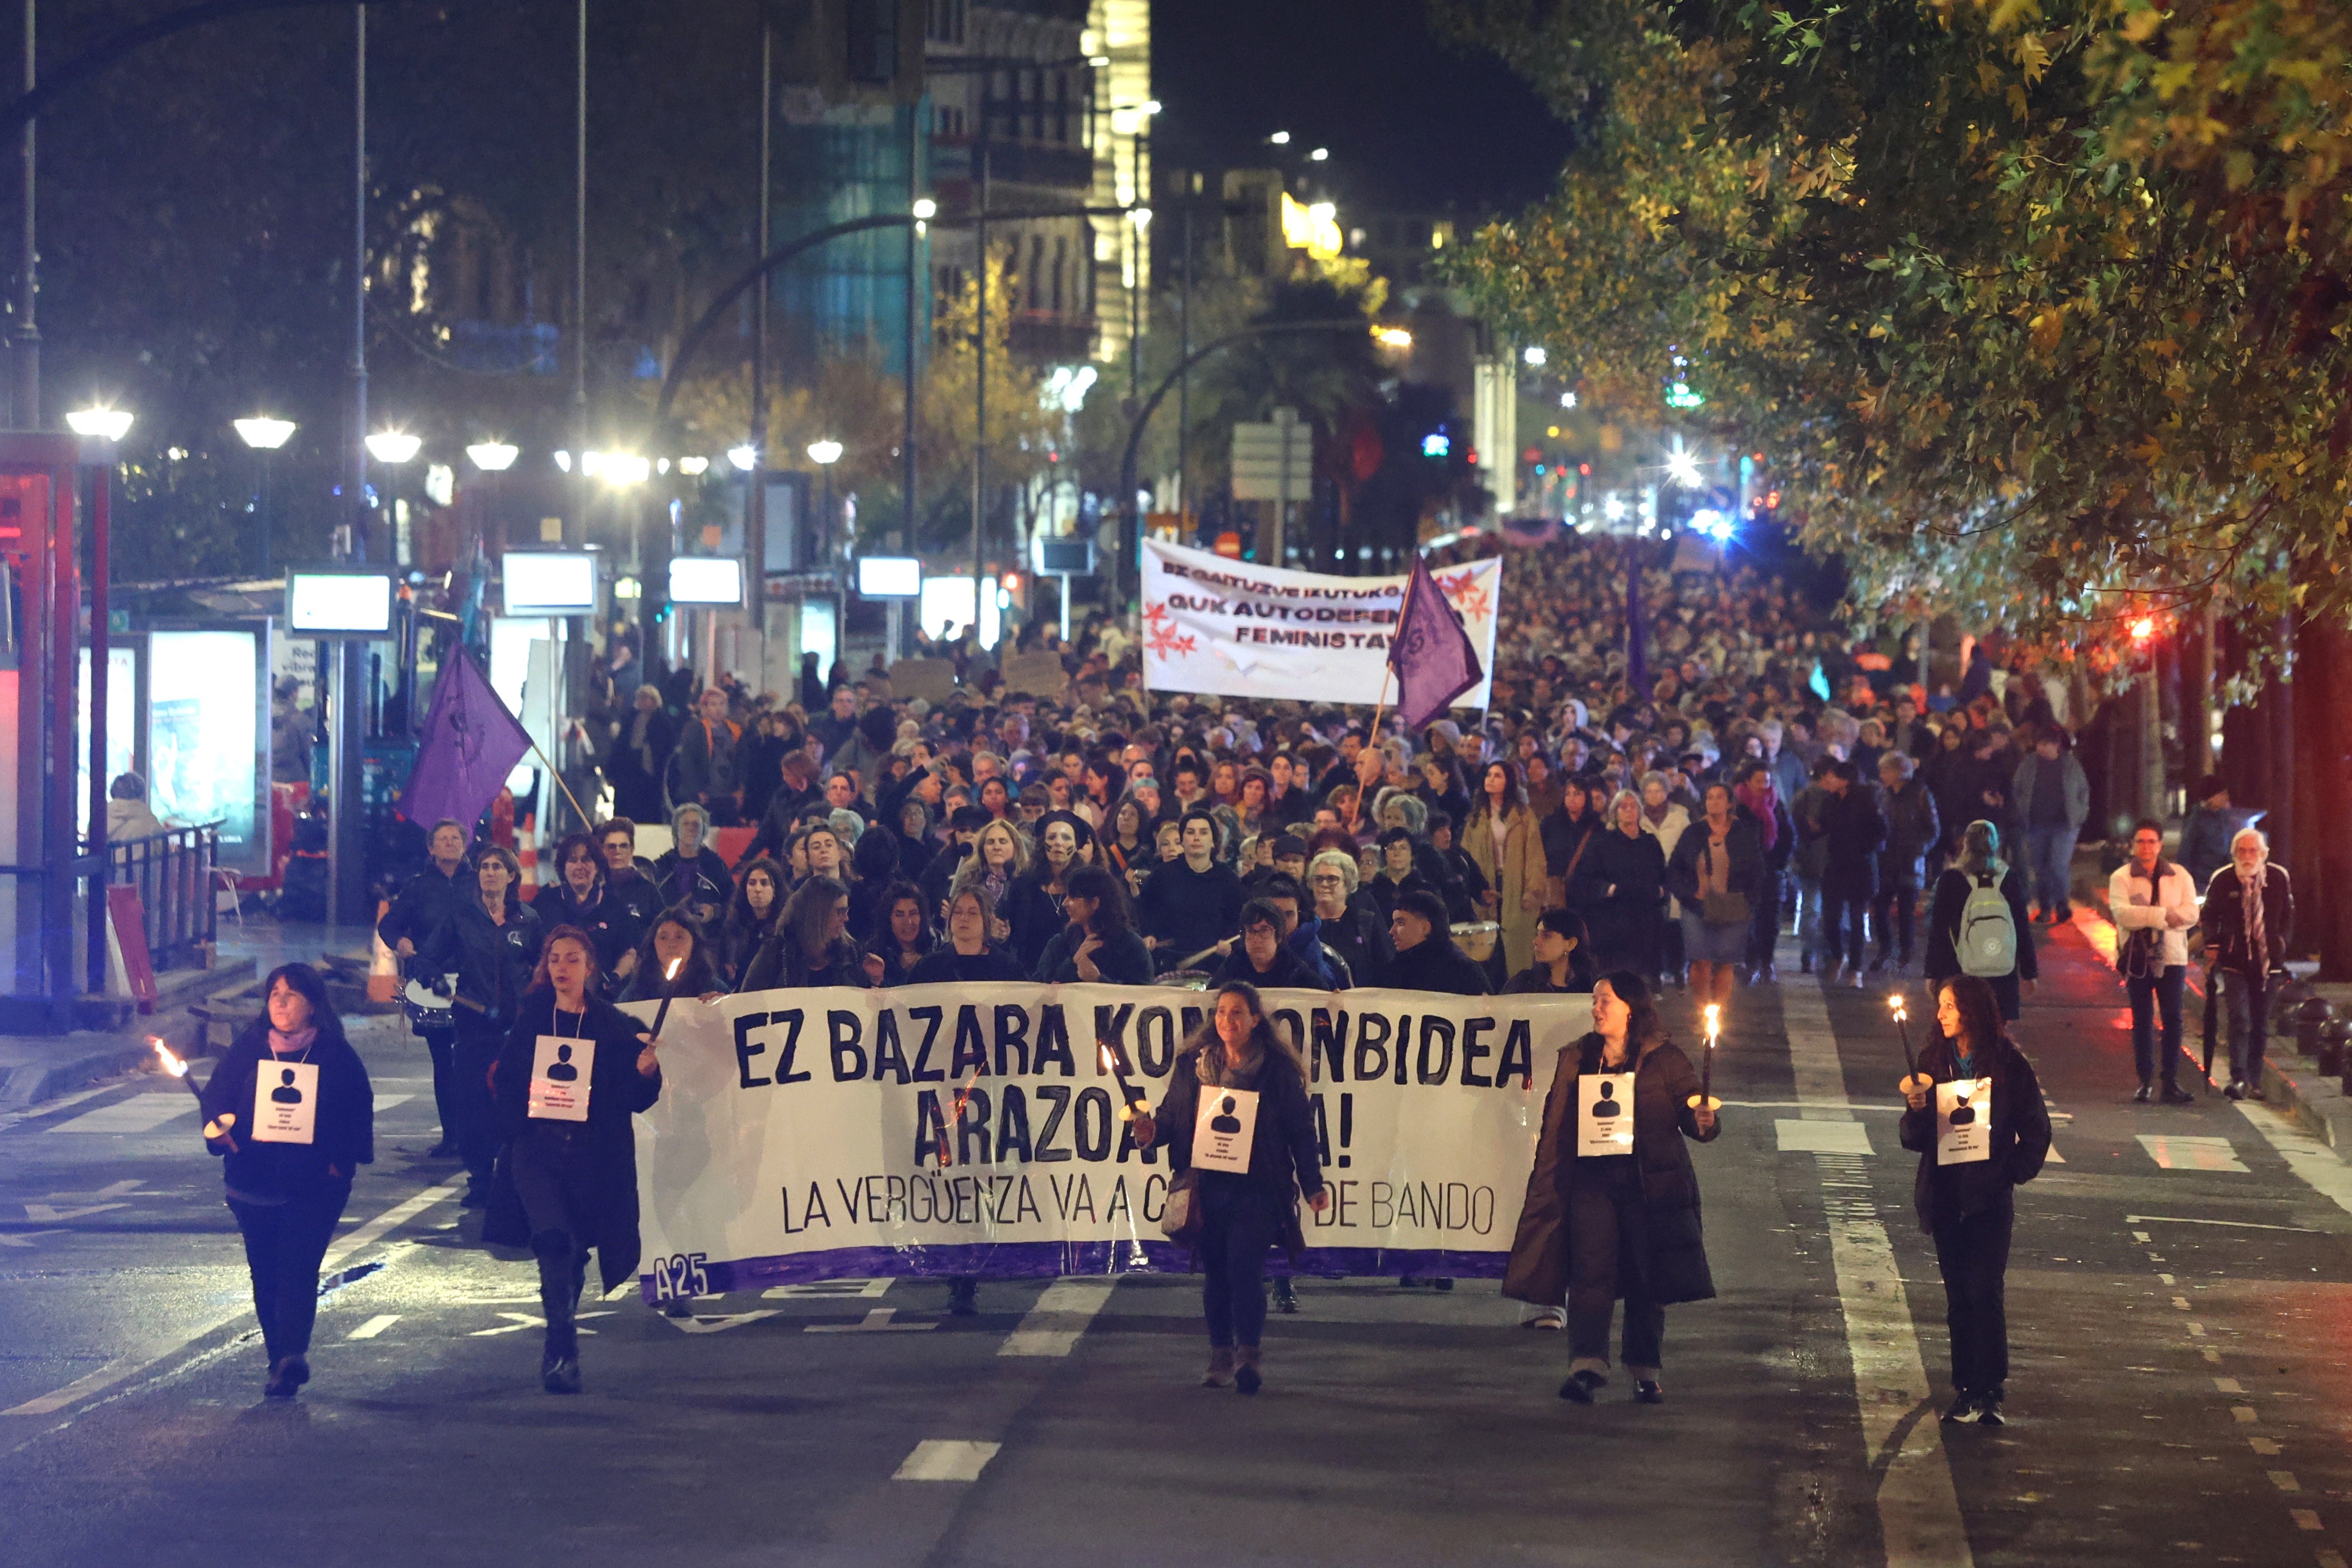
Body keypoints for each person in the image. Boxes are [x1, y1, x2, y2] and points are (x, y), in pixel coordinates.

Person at [1502, 972, 1717, 1403]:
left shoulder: (1665, 1059)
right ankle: (1586, 1367)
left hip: (1648, 1188)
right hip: (1593, 1184)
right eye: (1595, 1001)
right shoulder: (1579, 1056)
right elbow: (1559, 1122)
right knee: (1589, 1276)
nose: (1596, 1009)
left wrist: (1704, 1120)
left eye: (1606, 1001)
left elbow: (1693, 1112)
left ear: (1630, 1009)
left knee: (1646, 1280)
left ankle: (1644, 1368)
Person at [485, 926, 665, 1393]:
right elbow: (506, 1079)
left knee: (571, 1247)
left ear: (590, 967)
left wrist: (645, 1072)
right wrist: (515, 1129)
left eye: (572, 959)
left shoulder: (610, 1023)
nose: (562, 968)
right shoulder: (532, 1018)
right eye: (554, 959)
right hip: (537, 1150)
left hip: (591, 1156)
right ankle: (560, 1346)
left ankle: (564, 1306)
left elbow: (632, 1097)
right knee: (550, 1239)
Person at [1130, 982, 1329, 1394]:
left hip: (1259, 1188)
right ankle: (1220, 1354)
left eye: (1237, 1013)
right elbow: (1170, 1116)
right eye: (1221, 1012)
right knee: (1216, 1273)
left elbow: (1300, 1130)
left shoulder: (1276, 1071)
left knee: (1244, 1269)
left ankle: (1248, 1355)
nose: (1227, 1020)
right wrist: (1151, 1132)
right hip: (1207, 1187)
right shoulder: (1192, 1066)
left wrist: (1313, 1184)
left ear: (1255, 1020)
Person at [199, 963, 373, 1398]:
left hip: (313, 1186)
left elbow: (356, 1114)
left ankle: (293, 1352)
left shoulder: (334, 1054)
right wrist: (220, 1133)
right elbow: (217, 1100)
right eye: (274, 992)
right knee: (266, 1272)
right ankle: (279, 1359)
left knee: (297, 1268)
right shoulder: (249, 1049)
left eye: (291, 994)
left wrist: (339, 1165)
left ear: (312, 1005)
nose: (279, 1001)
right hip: (253, 1181)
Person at [1898, 974, 2051, 1427]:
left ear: (1972, 1010)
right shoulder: (1932, 1062)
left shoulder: (2008, 1063)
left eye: (1949, 1006)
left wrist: (2010, 1171)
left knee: (1986, 1291)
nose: (1941, 1014)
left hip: (1988, 1199)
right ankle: (1965, 1388)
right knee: (1959, 1298)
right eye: (1940, 1007)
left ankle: (1991, 1391)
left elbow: (2037, 1127)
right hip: (1946, 1195)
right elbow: (1913, 1138)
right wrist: (1917, 1110)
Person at [419, 846, 543, 1206]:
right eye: (485, 867)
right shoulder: (461, 917)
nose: (490, 873)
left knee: (514, 1105)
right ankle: (480, 1180)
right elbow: (427, 958)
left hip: (517, 1030)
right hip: (474, 1027)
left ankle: (513, 1177)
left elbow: (542, 968)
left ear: (512, 876)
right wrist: (435, 980)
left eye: (498, 867)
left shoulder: (529, 920)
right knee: (472, 1106)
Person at [378, 817, 471, 1157]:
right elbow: (390, 923)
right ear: (431, 848)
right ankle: (451, 1135)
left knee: (472, 1059)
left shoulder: (478, 882)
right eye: (443, 838)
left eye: (456, 837)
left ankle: (476, 1133)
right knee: (443, 1061)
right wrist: (401, 942)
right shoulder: (418, 887)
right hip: (432, 982)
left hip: (474, 982)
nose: (450, 843)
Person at [2108, 819, 2199, 1104]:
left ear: (2161, 845)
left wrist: (2147, 914)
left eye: (2151, 842)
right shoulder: (2122, 878)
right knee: (2143, 1019)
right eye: (2140, 842)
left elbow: (2191, 915)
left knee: (2173, 1018)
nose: (2146, 847)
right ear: (2133, 845)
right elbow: (2124, 915)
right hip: (2137, 958)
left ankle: (2170, 1080)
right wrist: (2163, 916)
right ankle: (2145, 1080)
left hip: (2171, 958)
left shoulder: (2179, 875)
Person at [2202, 826, 2292, 1101]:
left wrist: (2282, 943)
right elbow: (2209, 915)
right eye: (2241, 850)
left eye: (2253, 850)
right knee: (2240, 1018)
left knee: (2261, 1023)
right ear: (2234, 854)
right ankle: (2238, 1077)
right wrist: (2213, 944)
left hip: (2269, 965)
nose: (2247, 855)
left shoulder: (2278, 878)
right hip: (2235, 962)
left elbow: (2289, 914)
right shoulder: (2223, 880)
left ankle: (2254, 1079)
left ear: (2263, 854)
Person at [1923, 820, 2037, 1023]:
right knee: (1996, 1035)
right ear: (1996, 845)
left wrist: (1933, 973)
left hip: (1959, 971)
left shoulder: (1952, 879)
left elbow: (1939, 931)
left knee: (1964, 1030)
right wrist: (2029, 973)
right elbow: (2021, 928)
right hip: (2002, 973)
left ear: (1966, 844)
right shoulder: (2008, 879)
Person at [1664, 783, 1763, 1013]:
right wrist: (1688, 893)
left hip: (1734, 905)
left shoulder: (1743, 834)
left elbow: (1757, 870)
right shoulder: (1693, 833)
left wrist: (1750, 900)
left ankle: (1717, 1011)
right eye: (1709, 797)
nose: (1714, 802)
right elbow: (1675, 869)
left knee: (1725, 962)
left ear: (1729, 803)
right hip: (1697, 905)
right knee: (1701, 960)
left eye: (1719, 798)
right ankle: (1701, 1008)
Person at [1135, 809, 1245, 971]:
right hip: (1169, 959)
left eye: (1203, 832)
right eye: (1190, 832)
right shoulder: (1162, 875)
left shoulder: (1228, 879)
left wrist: (1229, 942)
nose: (1196, 838)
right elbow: (1143, 908)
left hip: (1215, 962)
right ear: (1183, 840)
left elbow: (1239, 919)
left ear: (1213, 841)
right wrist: (1148, 934)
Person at [1467, 760, 1548, 979]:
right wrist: (1475, 888)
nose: (1491, 780)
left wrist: (1532, 892)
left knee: (1517, 949)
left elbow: (1535, 857)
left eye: (1498, 776)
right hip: (1487, 886)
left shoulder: (1523, 816)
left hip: (1516, 886)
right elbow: (1468, 856)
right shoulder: (1477, 817)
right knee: (1489, 952)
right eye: (1489, 775)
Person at [537, 831, 644, 987]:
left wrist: (615, 978)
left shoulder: (613, 905)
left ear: (597, 866)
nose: (580, 866)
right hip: (553, 994)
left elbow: (629, 952)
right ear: (563, 867)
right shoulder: (545, 902)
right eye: (572, 860)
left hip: (600, 997)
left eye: (586, 859)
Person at [1816, 760, 1887, 989]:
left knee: (1858, 921)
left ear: (1845, 780)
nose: (1829, 780)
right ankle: (1838, 956)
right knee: (1831, 919)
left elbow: (1881, 831)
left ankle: (1856, 969)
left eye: (1833, 777)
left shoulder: (1867, 801)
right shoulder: (1831, 801)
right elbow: (1825, 825)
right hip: (1836, 866)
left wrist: (1863, 849)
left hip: (1861, 868)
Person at [741, 875, 880, 991]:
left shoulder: (852, 954)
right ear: (818, 914)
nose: (846, 919)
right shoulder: (775, 952)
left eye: (846, 911)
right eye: (840, 912)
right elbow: (749, 1003)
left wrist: (874, 982)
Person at [2010, 727, 2088, 925]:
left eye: (2045, 744)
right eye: (2039, 744)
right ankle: (2045, 906)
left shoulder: (2070, 765)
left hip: (2063, 825)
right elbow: (2017, 788)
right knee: (2039, 866)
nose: (2041, 749)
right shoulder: (2029, 765)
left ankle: (2062, 904)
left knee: (2058, 865)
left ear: (2056, 745)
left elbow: (2082, 792)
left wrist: (2079, 815)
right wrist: (2022, 811)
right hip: (2036, 824)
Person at [1873, 750, 1940, 975]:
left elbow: (1933, 829)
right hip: (1887, 859)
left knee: (1906, 910)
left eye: (1886, 771)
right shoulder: (1884, 795)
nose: (1882, 775)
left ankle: (1906, 952)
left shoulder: (1920, 794)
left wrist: (1919, 850)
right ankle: (1885, 948)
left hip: (1910, 862)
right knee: (1880, 907)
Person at [1034, 864, 1155, 984]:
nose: (1065, 903)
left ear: (1095, 903)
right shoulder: (1060, 943)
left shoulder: (1132, 947)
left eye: (1074, 897)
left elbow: (1142, 996)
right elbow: (1037, 987)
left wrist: (1099, 980)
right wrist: (1073, 962)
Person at [1591, 789, 1667, 980]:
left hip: (1647, 916)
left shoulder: (1650, 842)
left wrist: (1661, 891)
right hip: (1615, 917)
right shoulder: (1604, 843)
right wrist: (1611, 890)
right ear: (1615, 812)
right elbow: (1592, 876)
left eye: (1633, 806)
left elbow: (1663, 874)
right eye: (1623, 806)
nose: (1628, 810)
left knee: (1642, 971)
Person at [1005, 811, 1087, 975]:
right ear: (1043, 844)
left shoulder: (1089, 885)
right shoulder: (1024, 884)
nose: (1058, 843)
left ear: (1077, 845)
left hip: (1075, 973)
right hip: (1029, 972)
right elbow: (1009, 928)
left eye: (1066, 838)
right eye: (1052, 838)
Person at [1309, 850, 1391, 989]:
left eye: (1332, 879)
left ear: (1347, 884)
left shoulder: (1365, 922)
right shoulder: (1304, 922)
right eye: (1319, 879)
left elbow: (1385, 969)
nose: (1324, 884)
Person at [909, 887, 1028, 983]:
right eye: (958, 912)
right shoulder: (928, 968)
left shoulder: (1007, 968)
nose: (964, 918)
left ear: (988, 920)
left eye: (973, 913)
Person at [1387, 888, 1492, 995]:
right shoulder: (1400, 963)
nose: (1392, 931)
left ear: (1425, 928)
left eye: (1401, 923)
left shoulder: (1462, 970)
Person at [618, 907, 726, 1004]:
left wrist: (718, 1006)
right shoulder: (637, 988)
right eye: (663, 938)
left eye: (679, 937)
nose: (671, 945)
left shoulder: (712, 985)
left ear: (694, 943)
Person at [1211, 898, 1323, 990]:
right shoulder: (1233, 966)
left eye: (1265, 931)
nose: (1257, 939)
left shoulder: (1295, 971)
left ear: (1278, 936)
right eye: (1251, 931)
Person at [652, 803, 732, 928]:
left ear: (704, 831)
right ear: (676, 830)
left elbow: (733, 902)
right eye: (686, 824)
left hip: (707, 937)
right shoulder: (661, 866)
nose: (691, 828)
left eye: (696, 824)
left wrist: (714, 911)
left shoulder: (716, 865)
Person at [671, 686, 742, 823]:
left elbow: (742, 762)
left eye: (722, 704)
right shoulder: (695, 729)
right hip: (705, 794)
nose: (718, 709)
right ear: (705, 708)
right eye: (714, 705)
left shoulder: (736, 731)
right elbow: (688, 763)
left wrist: (741, 788)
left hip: (728, 794)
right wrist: (697, 790)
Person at [720, 856, 788, 985]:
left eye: (764, 883)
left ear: (775, 890)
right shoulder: (733, 926)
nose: (758, 889)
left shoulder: (785, 927)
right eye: (752, 883)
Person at [1505, 908, 1595, 994]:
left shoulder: (1592, 989)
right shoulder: (1524, 984)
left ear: (1571, 944)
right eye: (1537, 934)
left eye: (1546, 936)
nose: (1536, 942)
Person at [867, 880, 936, 986]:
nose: (908, 922)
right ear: (889, 919)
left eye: (913, 914)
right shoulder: (875, 952)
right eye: (900, 915)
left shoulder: (937, 947)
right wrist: (877, 979)